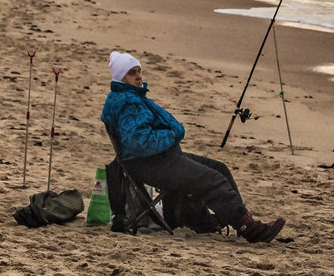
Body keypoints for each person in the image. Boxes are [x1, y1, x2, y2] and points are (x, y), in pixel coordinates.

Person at [102, 51, 285, 243]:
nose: (138, 76)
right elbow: (140, 142)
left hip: (158, 158)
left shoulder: (129, 98)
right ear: (120, 77)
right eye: (132, 72)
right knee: (213, 180)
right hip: (149, 163)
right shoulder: (128, 104)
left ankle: (240, 222)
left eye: (139, 71)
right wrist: (172, 134)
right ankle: (249, 228)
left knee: (219, 168)